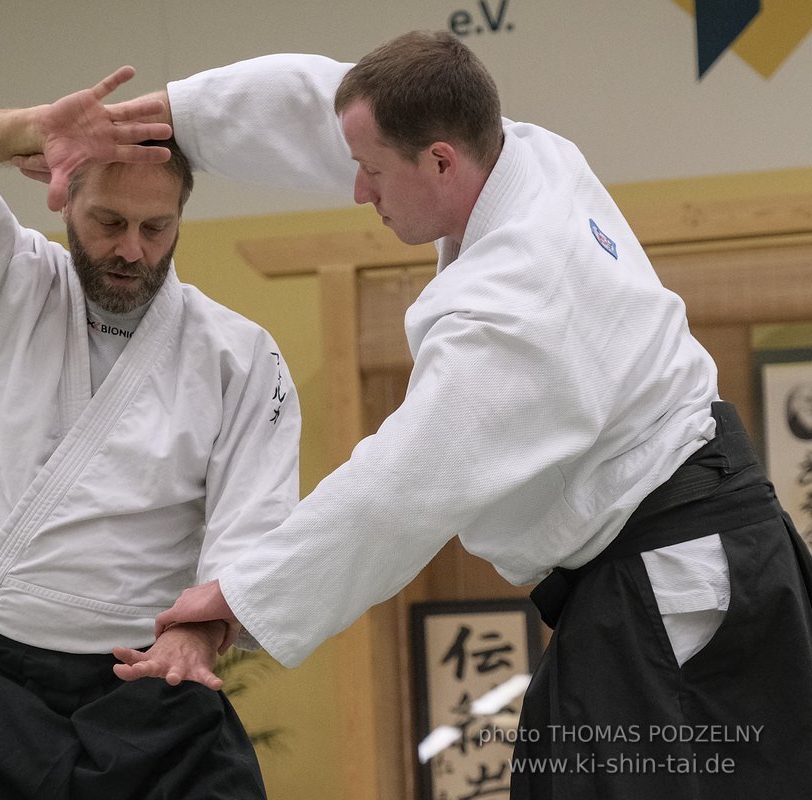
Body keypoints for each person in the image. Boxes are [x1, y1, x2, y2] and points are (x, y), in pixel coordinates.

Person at [70, 31, 812, 798]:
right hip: (710, 557)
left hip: (673, 583)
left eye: (372, 173)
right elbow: (324, 108)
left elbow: (402, 487)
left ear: (440, 163)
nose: (359, 190)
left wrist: (233, 596)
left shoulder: (510, 307)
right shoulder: (528, 156)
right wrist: (156, 120)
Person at [0, 66, 301, 800]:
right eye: (108, 223)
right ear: (65, 201)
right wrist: (25, 130)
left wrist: (202, 629)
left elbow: (254, 519)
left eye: (155, 228)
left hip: (152, 681)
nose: (132, 250)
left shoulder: (238, 354)